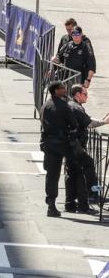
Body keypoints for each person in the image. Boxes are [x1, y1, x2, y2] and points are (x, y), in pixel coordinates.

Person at [65, 85, 106, 214]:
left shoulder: (73, 106)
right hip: (75, 145)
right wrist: (105, 122)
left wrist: (102, 120)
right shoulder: (76, 108)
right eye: (85, 94)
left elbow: (88, 118)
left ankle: (70, 204)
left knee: (72, 174)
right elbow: (89, 123)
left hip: (70, 145)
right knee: (86, 167)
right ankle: (91, 195)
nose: (87, 96)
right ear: (77, 94)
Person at [40, 81, 77, 217]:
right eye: (62, 88)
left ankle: (51, 202)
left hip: (48, 143)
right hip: (61, 143)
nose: (65, 89)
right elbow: (74, 125)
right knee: (77, 167)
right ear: (56, 91)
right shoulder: (63, 106)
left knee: (51, 174)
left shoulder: (45, 105)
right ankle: (76, 200)